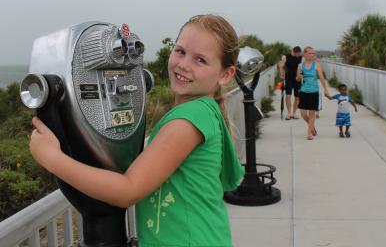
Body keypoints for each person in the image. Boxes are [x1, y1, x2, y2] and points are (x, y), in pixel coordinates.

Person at [29, 14, 245, 246]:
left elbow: (128, 191)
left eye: (200, 60)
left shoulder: (189, 120)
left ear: (226, 74)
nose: (184, 64)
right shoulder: (205, 112)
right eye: (180, 51)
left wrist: (53, 159)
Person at [296, 46, 330, 140]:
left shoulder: (317, 65)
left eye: (313, 53)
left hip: (314, 91)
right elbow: (297, 79)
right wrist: (299, 76)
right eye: (310, 53)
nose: (312, 55)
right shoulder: (300, 65)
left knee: (312, 113)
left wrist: (325, 89)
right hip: (303, 91)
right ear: (305, 54)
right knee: (303, 113)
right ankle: (312, 128)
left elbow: (322, 78)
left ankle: (309, 133)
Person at [278, 46, 302, 120]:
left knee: (297, 97)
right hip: (288, 79)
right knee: (288, 96)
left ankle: (293, 114)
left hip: (297, 80)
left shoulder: (300, 58)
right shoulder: (286, 56)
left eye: (299, 54)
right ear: (294, 52)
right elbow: (281, 66)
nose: (298, 55)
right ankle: (289, 113)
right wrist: (282, 74)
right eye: (298, 54)